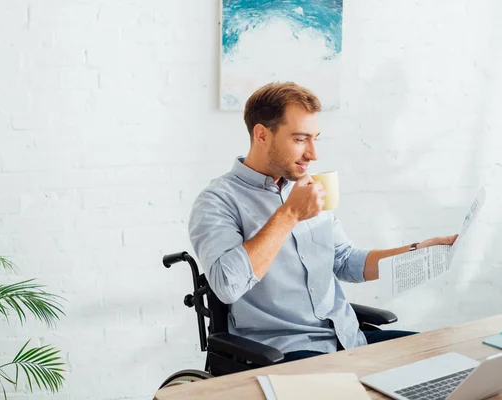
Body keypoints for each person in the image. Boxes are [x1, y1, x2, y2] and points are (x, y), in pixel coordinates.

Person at [188, 82, 458, 362]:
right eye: (300, 139)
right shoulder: (217, 201)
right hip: (284, 353)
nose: (313, 154)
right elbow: (227, 286)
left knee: (447, 358)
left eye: (315, 138)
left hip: (349, 338)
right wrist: (289, 215)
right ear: (262, 135)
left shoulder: (306, 188)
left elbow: (345, 260)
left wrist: (417, 251)